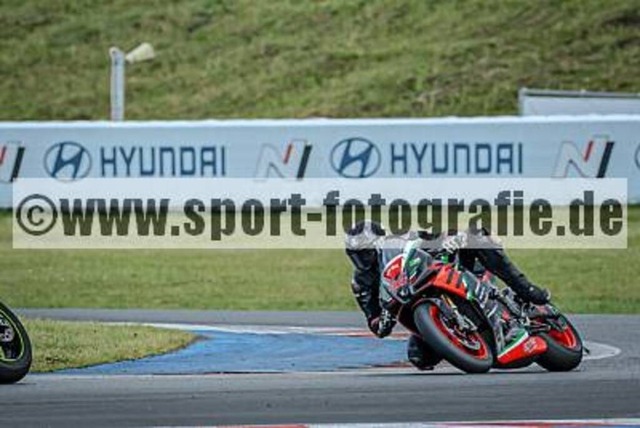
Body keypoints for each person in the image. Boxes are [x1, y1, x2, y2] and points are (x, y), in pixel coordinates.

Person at [345, 220, 550, 370]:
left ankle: (526, 290)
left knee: (476, 235)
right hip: (416, 303)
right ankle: (470, 341)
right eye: (355, 255)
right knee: (419, 357)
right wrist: (383, 320)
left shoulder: (402, 238)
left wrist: (451, 239)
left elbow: (437, 235)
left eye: (365, 252)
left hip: (448, 272)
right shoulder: (361, 284)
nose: (361, 259)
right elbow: (374, 322)